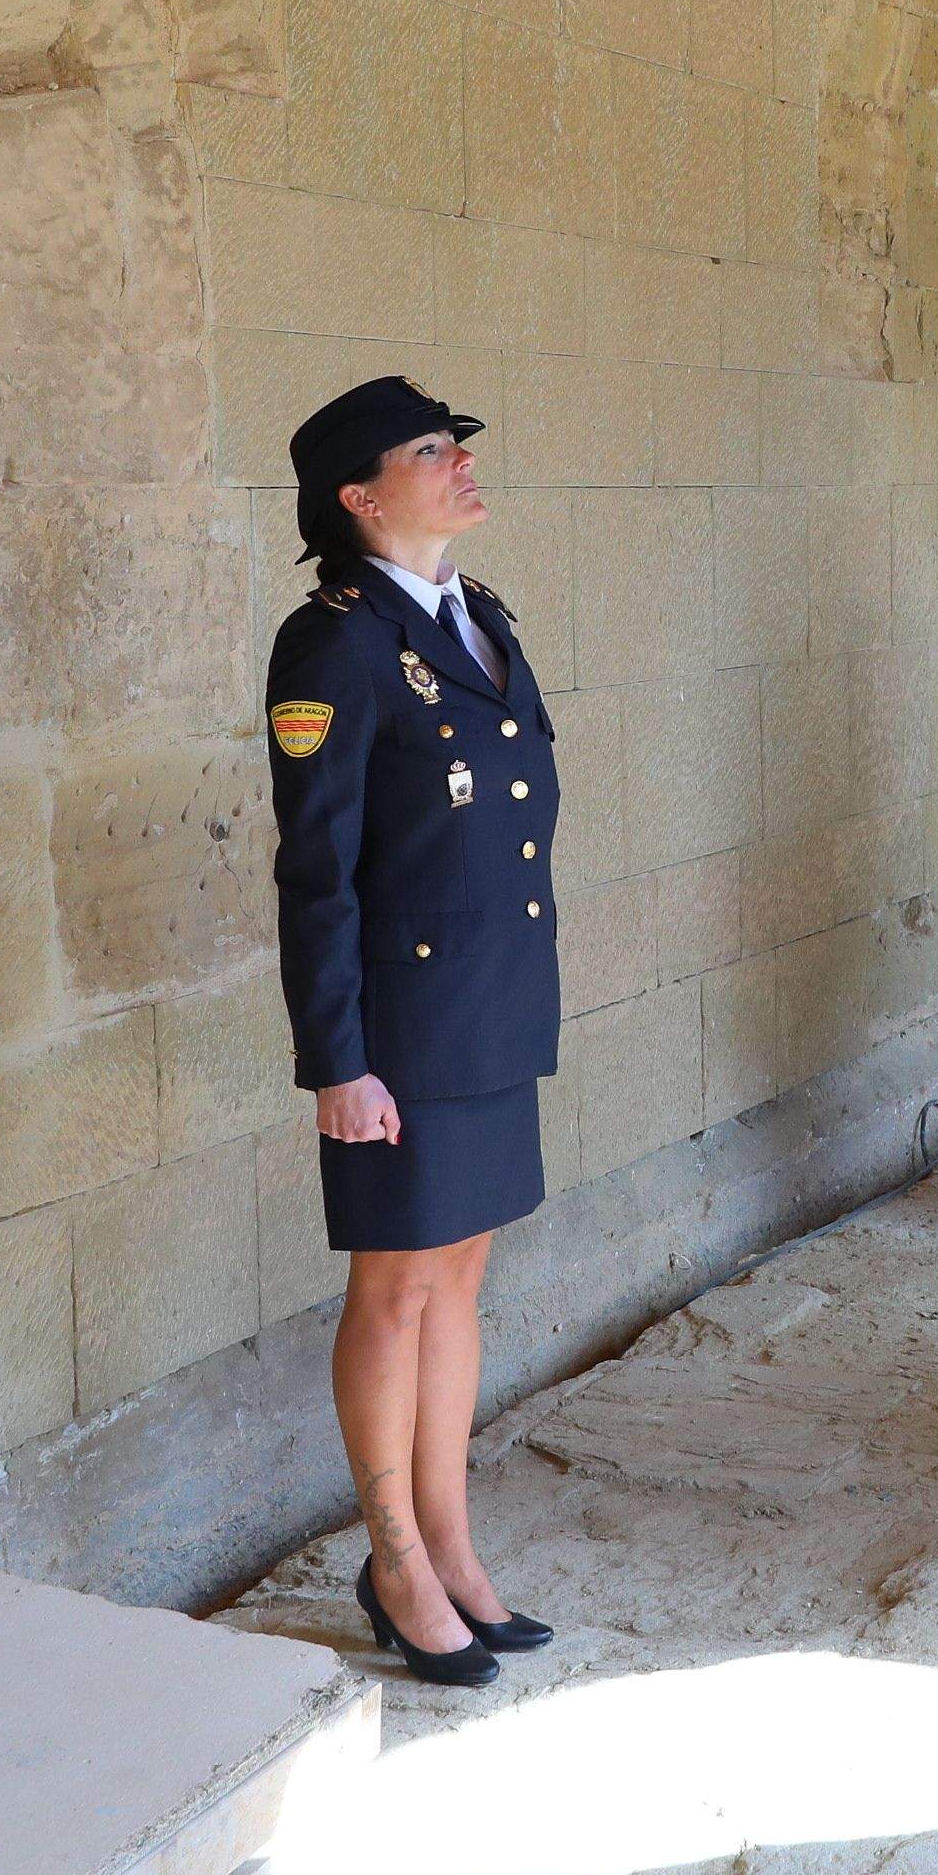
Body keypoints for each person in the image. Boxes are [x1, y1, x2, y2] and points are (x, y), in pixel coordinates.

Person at [266, 377, 568, 1685]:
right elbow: (315, 870)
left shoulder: (478, 617)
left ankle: (450, 1542)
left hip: (488, 1008)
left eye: (459, 449)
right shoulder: (333, 645)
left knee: (458, 1284)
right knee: (395, 1295)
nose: (460, 465)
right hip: (400, 1029)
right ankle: (393, 1558)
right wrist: (336, 1060)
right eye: (431, 452)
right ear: (360, 495)